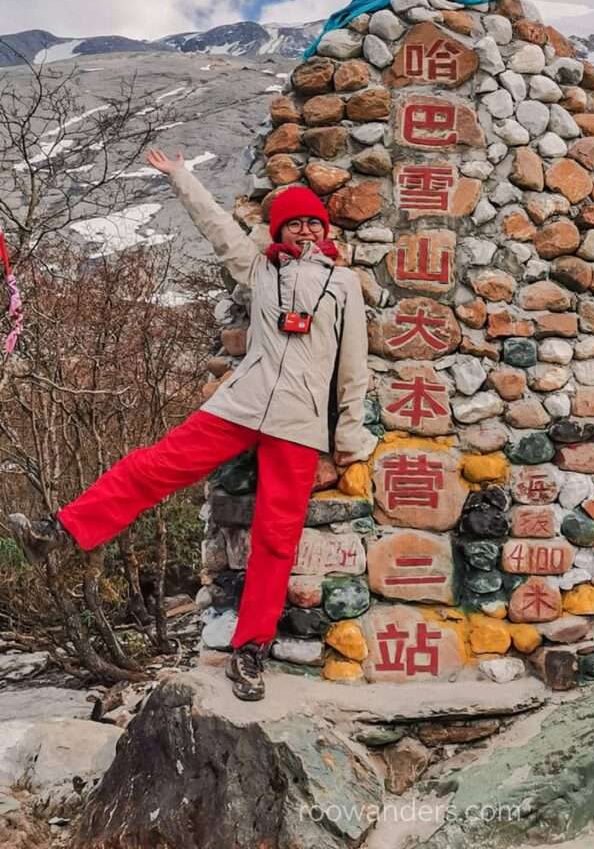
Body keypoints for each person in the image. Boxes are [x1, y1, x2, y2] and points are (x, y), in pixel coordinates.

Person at [9, 149, 377, 701]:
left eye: (311, 222)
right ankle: (59, 530)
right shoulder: (259, 268)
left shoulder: (342, 286)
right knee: (154, 465)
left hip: (299, 422)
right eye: (293, 222)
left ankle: (251, 651)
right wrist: (181, 176)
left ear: (323, 231)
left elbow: (353, 367)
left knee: (276, 539)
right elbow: (216, 227)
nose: (303, 229)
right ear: (279, 229)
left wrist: (348, 434)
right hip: (241, 404)